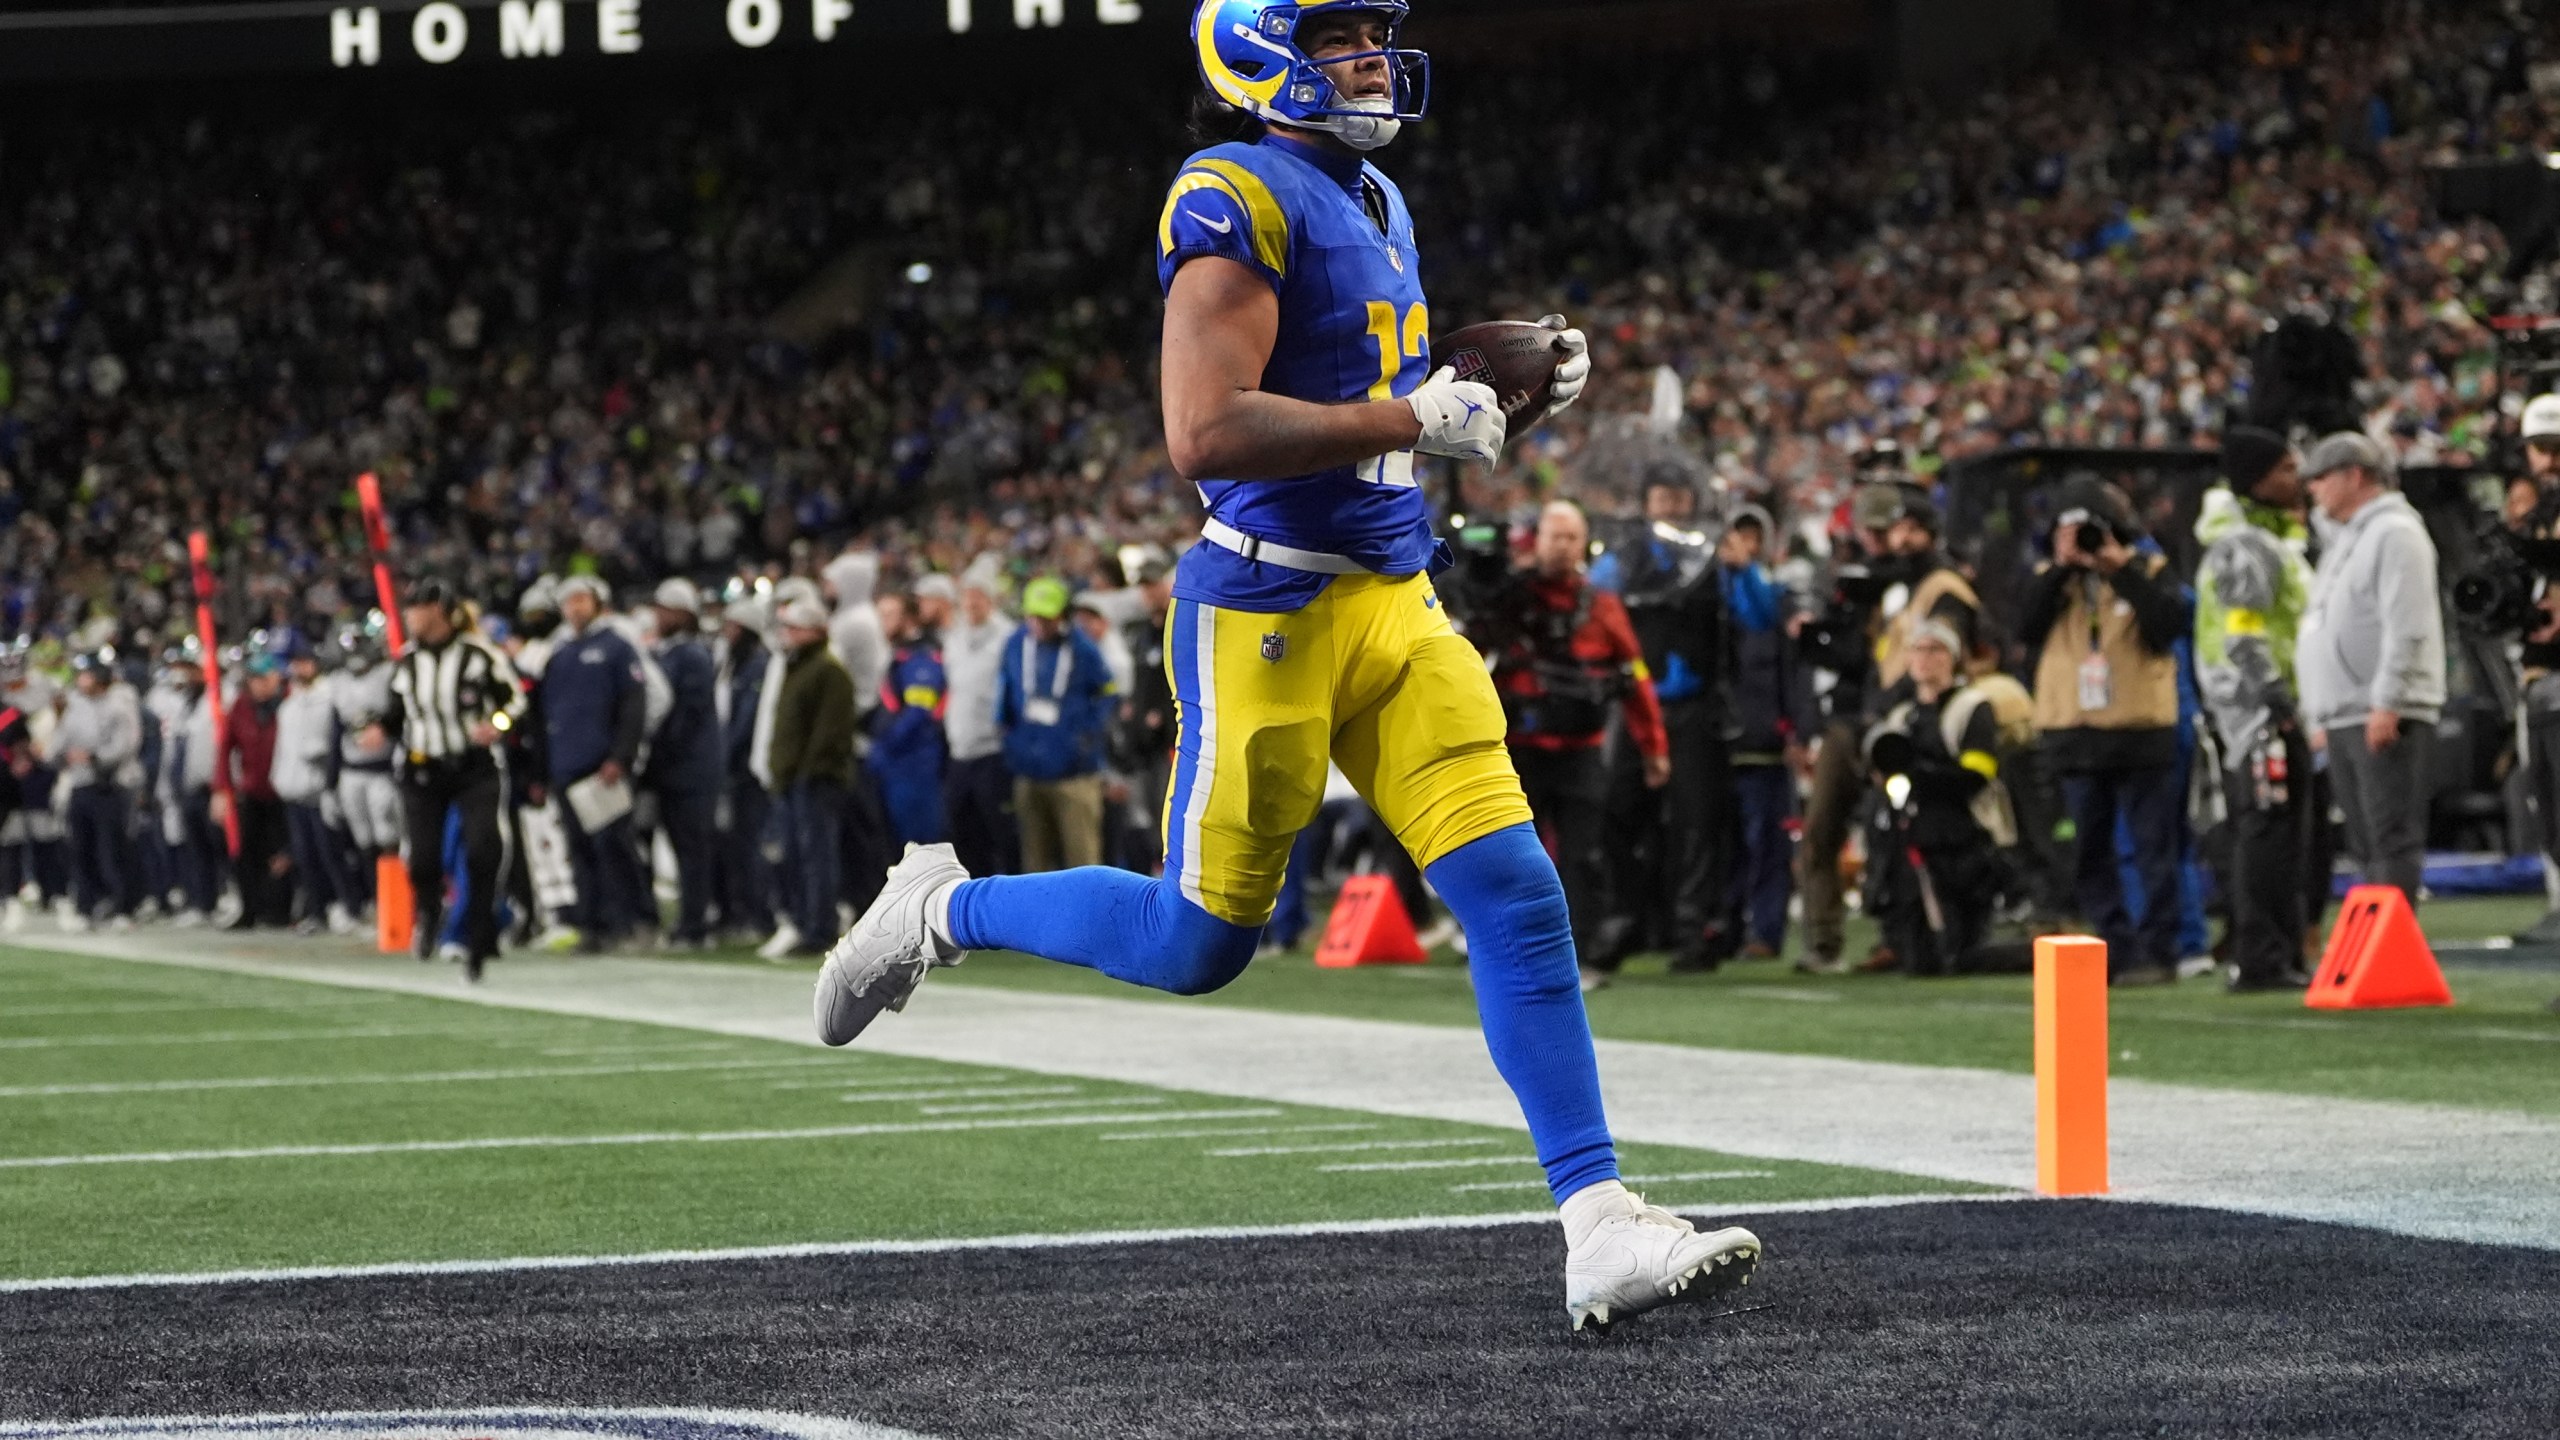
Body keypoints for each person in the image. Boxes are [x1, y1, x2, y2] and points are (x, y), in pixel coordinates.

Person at [810, 0, 1756, 1333]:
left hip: (1396, 595)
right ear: (1257, 51)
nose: (1371, 59)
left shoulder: (1372, 192)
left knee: (1513, 891)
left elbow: (1378, 382)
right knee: (1196, 944)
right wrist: (1414, 413)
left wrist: (1489, 377)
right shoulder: (1231, 191)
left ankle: (1595, 1222)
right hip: (1264, 608)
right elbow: (1204, 430)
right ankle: (937, 909)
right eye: (1340, 37)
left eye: (1376, 36)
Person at [1483, 500, 1668, 991]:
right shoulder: (1509, 597)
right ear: (1537, 539)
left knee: (1585, 858)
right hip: (1519, 749)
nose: (1562, 546)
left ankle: (1580, 957)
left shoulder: (1602, 605)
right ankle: (1502, 952)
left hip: (1580, 751)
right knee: (1512, 856)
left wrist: (1654, 747)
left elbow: (1635, 677)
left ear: (1584, 544)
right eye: (1554, 536)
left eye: (1571, 537)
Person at [1803, 479, 1979, 973]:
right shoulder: (1895, 588)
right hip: (1867, 718)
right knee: (1840, 828)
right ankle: (1831, 941)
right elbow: (1862, 657)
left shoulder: (1941, 587)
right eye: (1886, 531)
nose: (1893, 543)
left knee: (1894, 828)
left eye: (1901, 531)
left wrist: (1893, 710)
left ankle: (1906, 937)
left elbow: (1942, 655)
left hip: (1907, 724)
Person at [2022, 478, 2193, 987]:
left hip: (2140, 731)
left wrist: (2120, 569)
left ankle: (2158, 951)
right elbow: (2023, 629)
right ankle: (2114, 948)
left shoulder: (2151, 571)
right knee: (2088, 853)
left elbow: (2168, 625)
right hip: (2073, 733)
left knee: (2152, 849)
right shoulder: (2050, 583)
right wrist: (2061, 569)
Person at [2194, 427, 2319, 991]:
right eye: (2287, 469)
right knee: (2267, 832)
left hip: (2260, 708)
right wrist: (2277, 699)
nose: (2299, 480)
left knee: (2281, 834)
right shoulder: (2246, 545)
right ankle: (2263, 955)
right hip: (2258, 713)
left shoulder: (2265, 538)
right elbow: (2244, 635)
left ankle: (2280, 951)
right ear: (2258, 479)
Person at [2298, 432, 2446, 907]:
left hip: (2378, 710)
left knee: (2390, 838)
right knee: (2365, 844)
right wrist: (2320, 712)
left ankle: (2394, 955)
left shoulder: (2396, 533)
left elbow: (2409, 624)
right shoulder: (2351, 538)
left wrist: (2388, 701)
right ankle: (2378, 958)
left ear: (2354, 475)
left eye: (2321, 478)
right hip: (2346, 711)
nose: (2313, 489)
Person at [1591, 474, 1724, 971]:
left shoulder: (1711, 556)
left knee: (1693, 822)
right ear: (1647, 503)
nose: (1671, 504)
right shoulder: (1624, 557)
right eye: (1662, 496)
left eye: (1678, 496)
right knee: (1621, 815)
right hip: (1635, 706)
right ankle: (1626, 923)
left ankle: (1691, 931)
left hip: (1691, 707)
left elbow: (1748, 612)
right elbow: (1592, 598)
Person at [383, 578, 527, 980]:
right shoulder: (407, 660)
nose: (409, 616)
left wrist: (497, 725)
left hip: (474, 766)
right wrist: (375, 728)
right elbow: (393, 715)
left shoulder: (479, 654)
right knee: (423, 857)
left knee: (484, 850)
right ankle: (428, 912)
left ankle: (479, 936)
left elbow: (515, 700)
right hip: (422, 767)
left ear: (439, 613)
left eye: (417, 608)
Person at [1863, 621, 2011, 976]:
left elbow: (1976, 776)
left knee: (1965, 956)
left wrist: (1918, 773)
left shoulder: (1972, 708)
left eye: (1935, 650)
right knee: (1920, 961)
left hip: (1962, 834)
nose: (1925, 659)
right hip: (1912, 836)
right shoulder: (1901, 717)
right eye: (1918, 649)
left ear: (1953, 658)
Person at [1712, 504, 1813, 963]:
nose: (1743, 547)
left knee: (1768, 844)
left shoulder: (1780, 598)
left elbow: (1792, 669)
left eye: (1751, 539)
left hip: (1766, 740)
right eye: (1736, 538)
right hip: (1722, 739)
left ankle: (1766, 932)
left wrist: (1798, 730)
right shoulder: (1712, 597)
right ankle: (1726, 928)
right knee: (1726, 844)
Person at [543, 576, 652, 951]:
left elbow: (634, 705)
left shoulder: (617, 648)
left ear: (597, 602)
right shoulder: (557, 653)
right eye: (568, 601)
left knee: (615, 847)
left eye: (580, 600)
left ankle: (632, 920)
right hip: (567, 767)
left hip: (602, 768)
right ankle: (594, 925)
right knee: (580, 851)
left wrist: (621, 756)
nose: (574, 608)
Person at [997, 576, 1115, 873]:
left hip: (1074, 776)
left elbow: (1108, 694)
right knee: (1034, 863)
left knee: (1083, 861)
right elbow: (1006, 692)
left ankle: (1088, 920)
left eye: (1046, 617)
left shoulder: (1083, 649)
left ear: (1063, 615)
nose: (1039, 623)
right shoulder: (1015, 644)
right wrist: (1008, 737)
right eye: (1033, 616)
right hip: (1028, 771)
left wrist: (1084, 738)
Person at [768, 596, 859, 958]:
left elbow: (830, 731)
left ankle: (820, 927)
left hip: (816, 780)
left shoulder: (827, 669)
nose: (788, 634)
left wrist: (807, 770)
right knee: (798, 854)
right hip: (795, 778)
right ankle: (807, 921)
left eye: (795, 627)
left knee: (817, 855)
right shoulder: (801, 667)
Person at [646, 579, 726, 949]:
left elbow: (685, 717)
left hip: (692, 767)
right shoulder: (670, 652)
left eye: (665, 608)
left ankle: (696, 924)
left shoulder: (690, 655)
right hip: (678, 766)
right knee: (683, 847)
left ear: (682, 613)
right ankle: (692, 918)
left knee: (693, 847)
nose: (658, 615)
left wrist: (658, 751)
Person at [2509, 394, 2560, 944]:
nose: (2549, 462)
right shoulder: (2537, 518)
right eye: (2539, 450)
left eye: (2557, 449)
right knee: (2551, 823)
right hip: (2540, 679)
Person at [272, 639, 356, 934]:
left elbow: (336, 742)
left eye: (304, 662)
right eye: (296, 662)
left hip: (321, 788)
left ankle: (348, 906)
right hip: (294, 788)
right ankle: (317, 911)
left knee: (331, 854)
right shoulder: (290, 704)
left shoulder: (328, 697)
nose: (299, 667)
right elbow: (283, 747)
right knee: (306, 857)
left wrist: (323, 762)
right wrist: (278, 778)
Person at [941, 558, 1018, 878]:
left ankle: (1011, 905)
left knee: (1001, 833)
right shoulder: (954, 638)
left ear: (991, 599)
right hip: (960, 750)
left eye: (978, 596)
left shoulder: (1007, 637)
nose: (971, 603)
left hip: (993, 751)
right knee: (963, 833)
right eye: (967, 596)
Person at [55, 649, 142, 929]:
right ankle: (86, 906)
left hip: (109, 785)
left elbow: (126, 745)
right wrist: (58, 755)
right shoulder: (75, 705)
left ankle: (122, 907)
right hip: (81, 785)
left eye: (87, 674)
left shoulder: (120, 703)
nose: (82, 680)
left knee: (111, 849)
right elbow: (59, 744)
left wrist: (94, 757)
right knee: (80, 849)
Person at [214, 651, 295, 930]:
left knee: (283, 854)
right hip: (251, 789)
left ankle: (280, 910)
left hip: (284, 790)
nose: (259, 685)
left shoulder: (290, 703)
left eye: (264, 678)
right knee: (245, 853)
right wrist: (221, 789)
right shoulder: (241, 706)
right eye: (254, 679)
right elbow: (226, 748)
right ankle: (249, 908)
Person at [714, 593, 778, 942]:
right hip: (733, 769)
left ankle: (761, 914)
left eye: (733, 627)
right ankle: (742, 911)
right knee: (736, 845)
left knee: (754, 843)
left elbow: (745, 722)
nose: (727, 632)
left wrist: (725, 758)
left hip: (749, 771)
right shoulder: (731, 664)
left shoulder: (758, 665)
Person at [328, 623, 401, 918]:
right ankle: (375, 899)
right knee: (362, 839)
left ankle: (396, 902)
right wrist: (330, 782)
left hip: (383, 767)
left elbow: (400, 718)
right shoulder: (337, 682)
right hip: (352, 768)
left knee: (389, 836)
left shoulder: (389, 674)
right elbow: (334, 732)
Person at [870, 586, 952, 849]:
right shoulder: (900, 653)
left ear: (908, 619)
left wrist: (885, 746)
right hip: (900, 766)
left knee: (920, 847)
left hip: (915, 765)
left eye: (890, 614)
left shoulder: (920, 657)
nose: (883, 621)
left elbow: (918, 712)